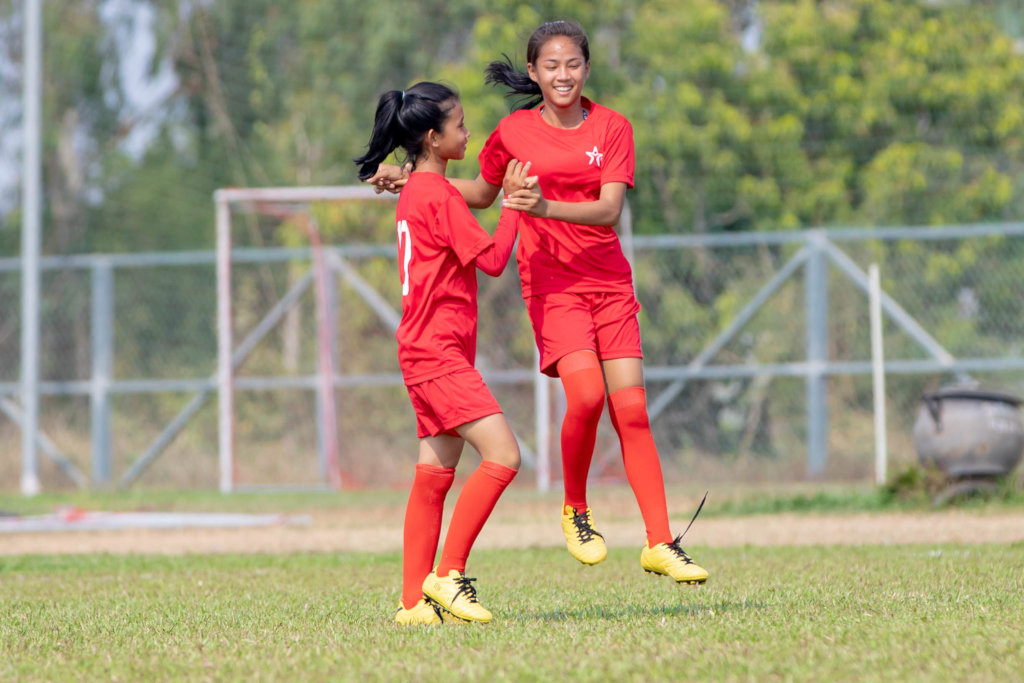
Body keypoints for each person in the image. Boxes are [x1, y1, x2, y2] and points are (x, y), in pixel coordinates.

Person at [367, 21, 708, 586]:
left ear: (587, 67)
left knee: (634, 413)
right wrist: (407, 180)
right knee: (589, 395)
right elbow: (478, 192)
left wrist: (540, 207)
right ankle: (576, 509)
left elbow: (609, 211)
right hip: (553, 285)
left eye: (572, 64)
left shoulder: (613, 128)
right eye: (551, 66)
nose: (563, 75)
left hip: (611, 285)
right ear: (533, 72)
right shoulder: (513, 132)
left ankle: (658, 542)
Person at [354, 81, 537, 625]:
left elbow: (450, 195)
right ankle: (449, 575)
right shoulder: (433, 194)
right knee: (504, 456)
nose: (469, 132)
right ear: (434, 138)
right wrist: (516, 205)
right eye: (460, 125)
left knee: (434, 473)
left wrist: (406, 174)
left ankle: (414, 603)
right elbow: (496, 259)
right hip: (437, 355)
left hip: (423, 349)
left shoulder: (418, 189)